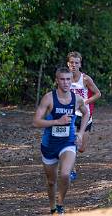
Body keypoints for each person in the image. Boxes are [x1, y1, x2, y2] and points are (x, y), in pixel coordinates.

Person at [33, 67, 90, 215]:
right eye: (62, 79)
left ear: (72, 80)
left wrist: (81, 133)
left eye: (68, 79)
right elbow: (36, 122)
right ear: (57, 80)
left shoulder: (76, 99)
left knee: (65, 174)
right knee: (51, 182)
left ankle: (60, 204)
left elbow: (86, 113)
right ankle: (52, 208)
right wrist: (57, 122)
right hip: (49, 145)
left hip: (68, 142)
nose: (66, 83)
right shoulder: (49, 98)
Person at [67, 51, 101, 181]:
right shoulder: (65, 78)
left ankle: (73, 151)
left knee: (81, 148)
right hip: (70, 114)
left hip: (84, 114)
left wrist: (84, 102)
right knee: (70, 143)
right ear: (68, 64)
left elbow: (98, 94)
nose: (74, 65)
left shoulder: (85, 79)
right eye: (71, 63)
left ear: (80, 64)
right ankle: (71, 170)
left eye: (76, 63)